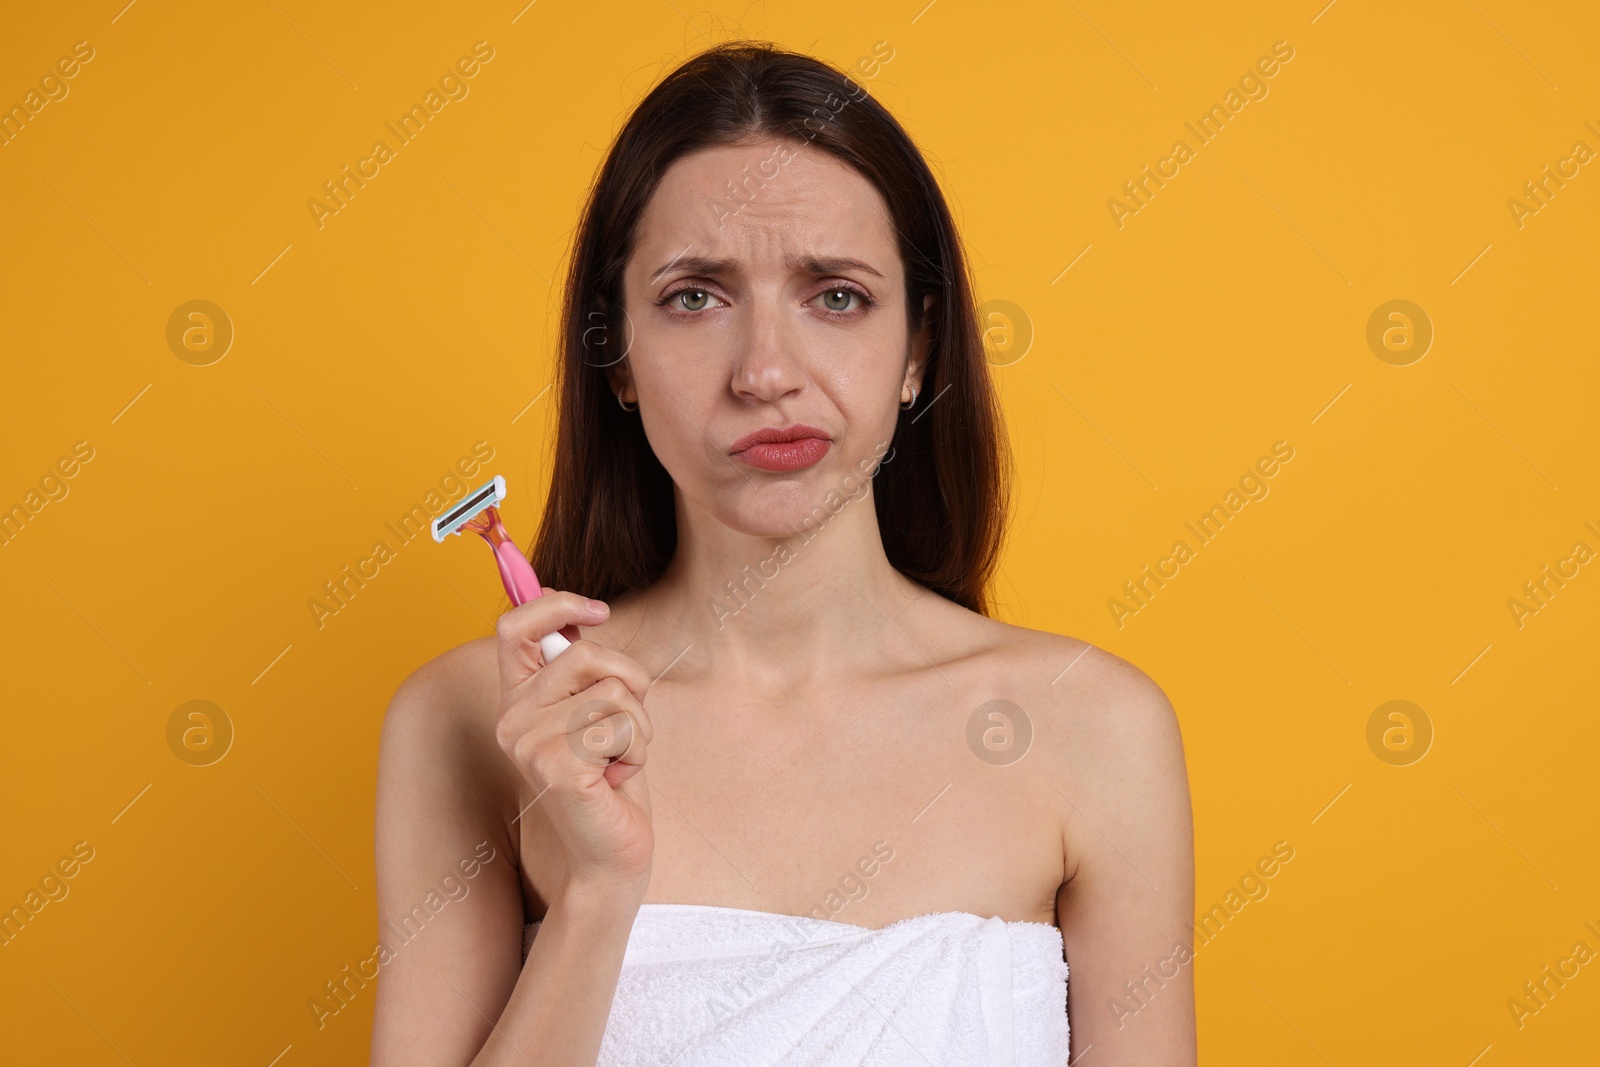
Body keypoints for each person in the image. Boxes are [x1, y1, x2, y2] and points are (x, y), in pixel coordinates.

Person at [372, 39, 1195, 1067]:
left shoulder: (1096, 729)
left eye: (836, 295)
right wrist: (595, 892)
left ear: (918, 351)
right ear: (615, 358)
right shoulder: (469, 725)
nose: (765, 371)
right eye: (694, 297)